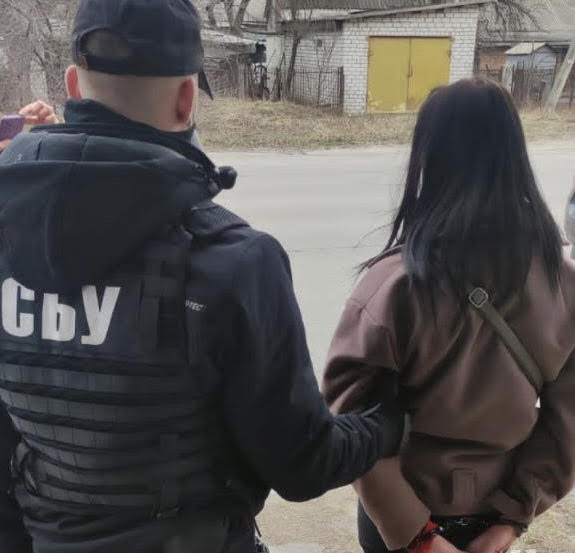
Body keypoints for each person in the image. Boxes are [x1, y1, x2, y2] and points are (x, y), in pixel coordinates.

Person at [0, 1, 403, 553]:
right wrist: (390, 422)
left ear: (73, 83)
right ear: (187, 97)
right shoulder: (234, 261)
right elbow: (302, 464)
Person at [323, 78, 575, 553]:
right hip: (493, 515)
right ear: (514, 156)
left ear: (429, 158)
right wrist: (511, 520)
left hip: (399, 521)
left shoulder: (391, 287)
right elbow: (567, 425)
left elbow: (351, 426)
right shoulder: (564, 281)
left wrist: (416, 535)